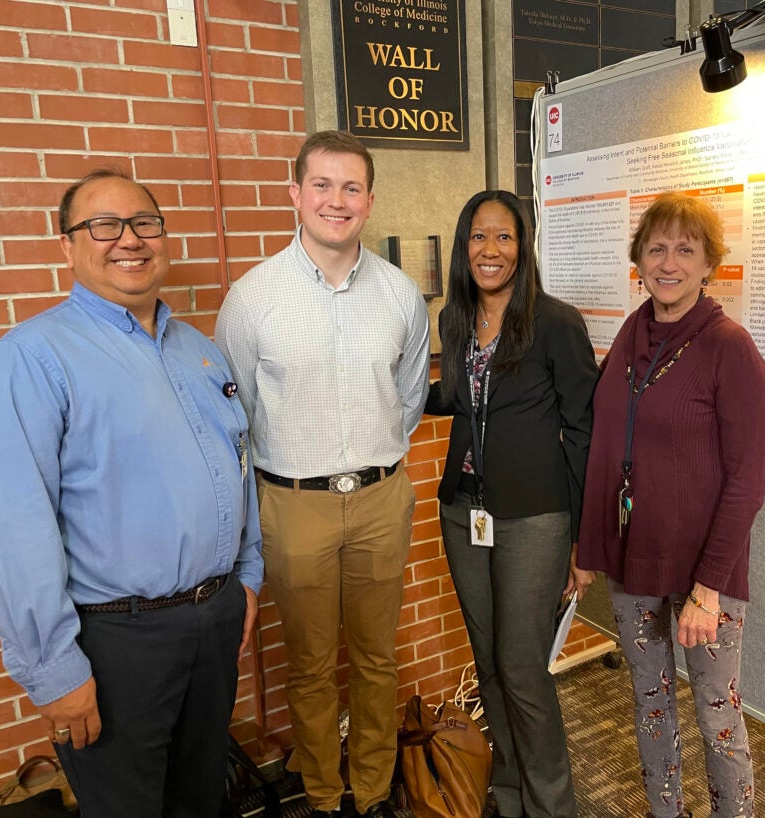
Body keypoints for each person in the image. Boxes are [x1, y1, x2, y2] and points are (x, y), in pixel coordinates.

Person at [0, 168, 265, 818]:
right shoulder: (31, 361)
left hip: (212, 622)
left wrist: (248, 577)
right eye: (102, 225)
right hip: (117, 643)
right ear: (67, 246)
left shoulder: (200, 352)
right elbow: (13, 529)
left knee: (202, 800)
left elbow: (239, 467)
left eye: (144, 222)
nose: (128, 239)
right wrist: (53, 671)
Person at [214, 130, 430, 818]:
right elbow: (238, 415)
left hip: (379, 497)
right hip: (292, 504)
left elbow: (411, 396)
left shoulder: (400, 295)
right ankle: (324, 793)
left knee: (376, 659)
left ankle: (369, 793)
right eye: (322, 185)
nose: (337, 200)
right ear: (295, 194)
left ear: (369, 199)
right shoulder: (252, 299)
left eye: (351, 187)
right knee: (308, 667)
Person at [577, 192, 765, 818]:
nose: (669, 262)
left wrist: (709, 589)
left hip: (702, 575)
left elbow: (746, 482)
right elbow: (607, 444)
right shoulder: (633, 334)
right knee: (651, 701)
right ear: (639, 259)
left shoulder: (729, 347)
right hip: (635, 561)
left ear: (710, 263)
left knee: (716, 713)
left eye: (686, 249)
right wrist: (588, 546)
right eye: (656, 248)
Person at [424, 190, 599, 818]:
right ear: (463, 247)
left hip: (534, 516)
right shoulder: (455, 320)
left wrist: (584, 538)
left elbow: (584, 430)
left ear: (522, 246)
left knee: (522, 666)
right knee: (489, 660)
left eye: (503, 236)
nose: (489, 250)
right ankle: (508, 796)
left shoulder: (556, 321)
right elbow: (454, 398)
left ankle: (552, 807)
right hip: (463, 509)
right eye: (477, 237)